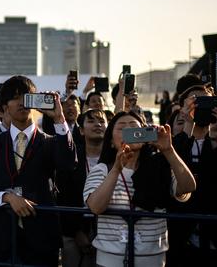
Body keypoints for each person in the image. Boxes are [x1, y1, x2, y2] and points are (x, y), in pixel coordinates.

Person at [0, 75, 75, 266]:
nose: (21, 102)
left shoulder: (51, 141)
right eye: (14, 97)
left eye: (27, 97)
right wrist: (8, 197)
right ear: (4, 107)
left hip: (41, 237)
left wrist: (59, 119)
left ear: (36, 102)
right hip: (0, 236)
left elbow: (68, 164)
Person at [83, 111, 196, 267]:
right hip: (110, 260)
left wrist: (169, 150)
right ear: (110, 141)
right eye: (122, 128)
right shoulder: (102, 170)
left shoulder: (160, 167)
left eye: (135, 128)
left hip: (153, 259)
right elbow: (95, 207)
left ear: (146, 136)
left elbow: (188, 187)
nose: (130, 132)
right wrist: (116, 169)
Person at [167, 80, 217, 265]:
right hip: (180, 236)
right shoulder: (175, 145)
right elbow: (173, 168)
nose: (200, 107)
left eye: (207, 102)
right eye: (194, 103)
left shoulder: (214, 142)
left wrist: (215, 136)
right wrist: (188, 124)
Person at [58, 109, 108, 267]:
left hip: (107, 228)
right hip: (73, 228)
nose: (98, 125)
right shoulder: (71, 157)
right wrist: (76, 231)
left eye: (101, 121)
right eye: (91, 121)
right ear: (81, 130)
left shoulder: (115, 158)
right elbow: (62, 196)